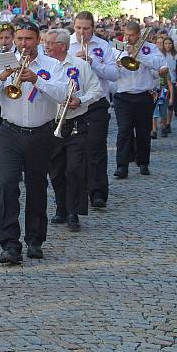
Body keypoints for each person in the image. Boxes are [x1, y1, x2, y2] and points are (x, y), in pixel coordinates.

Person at [0, 21, 67, 264]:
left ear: (38, 40)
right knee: (7, 185)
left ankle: (35, 240)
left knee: (37, 186)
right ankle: (9, 243)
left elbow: (62, 94)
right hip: (9, 132)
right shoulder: (3, 60)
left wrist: (37, 80)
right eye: (20, 39)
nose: (23, 44)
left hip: (41, 133)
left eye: (28, 39)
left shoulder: (52, 65)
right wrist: (3, 76)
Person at [45, 29, 103, 233]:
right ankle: (61, 206)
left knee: (75, 169)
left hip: (76, 123)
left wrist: (81, 101)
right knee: (56, 169)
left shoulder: (80, 65)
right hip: (51, 123)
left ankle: (73, 212)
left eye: (50, 43)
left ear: (62, 45)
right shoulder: (45, 65)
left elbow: (97, 90)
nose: (46, 46)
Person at [70, 11, 117, 208]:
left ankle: (97, 192)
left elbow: (114, 74)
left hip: (97, 102)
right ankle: (77, 192)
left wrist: (93, 63)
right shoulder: (67, 44)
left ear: (93, 28)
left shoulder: (103, 46)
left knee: (96, 147)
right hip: (74, 101)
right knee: (75, 150)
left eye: (86, 29)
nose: (82, 32)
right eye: (78, 28)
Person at [112, 22, 165, 178]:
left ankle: (143, 162)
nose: (128, 38)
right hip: (123, 95)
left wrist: (138, 54)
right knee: (124, 131)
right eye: (126, 34)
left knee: (143, 131)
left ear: (139, 34)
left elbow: (159, 64)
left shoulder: (150, 48)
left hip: (143, 95)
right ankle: (122, 166)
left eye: (132, 35)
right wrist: (119, 63)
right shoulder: (117, 46)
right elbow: (110, 68)